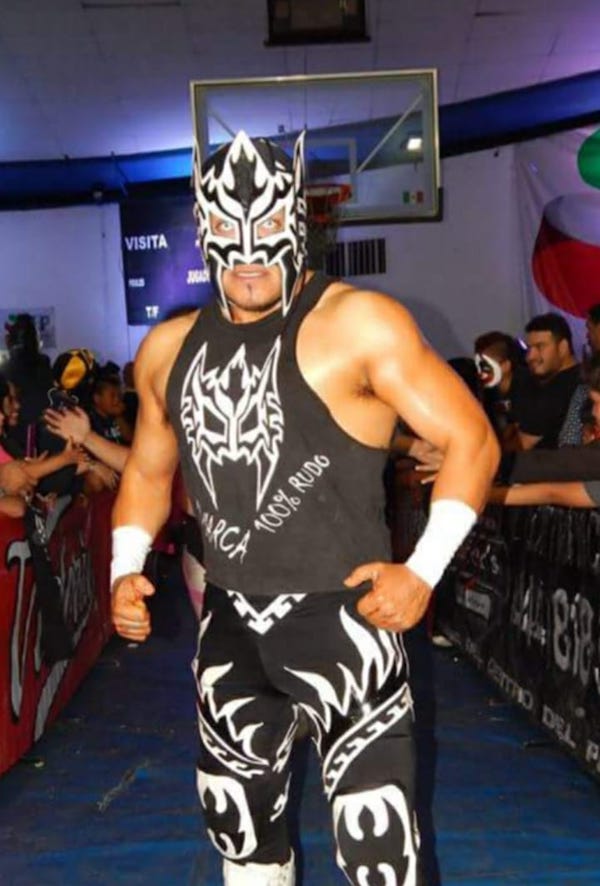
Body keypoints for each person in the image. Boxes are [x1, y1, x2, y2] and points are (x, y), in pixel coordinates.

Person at [110, 131, 499, 885]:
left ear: (299, 220)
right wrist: (126, 566)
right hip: (230, 625)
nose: (249, 250)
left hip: (346, 623)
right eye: (229, 228)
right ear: (202, 228)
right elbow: (149, 471)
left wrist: (423, 570)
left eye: (266, 225)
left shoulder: (358, 323)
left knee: (380, 855)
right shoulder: (167, 349)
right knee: (242, 840)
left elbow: (472, 440)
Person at [515, 313, 581, 450]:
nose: (530, 357)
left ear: (563, 347)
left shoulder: (560, 389)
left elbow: (522, 444)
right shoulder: (581, 376)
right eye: (529, 348)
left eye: (540, 346)